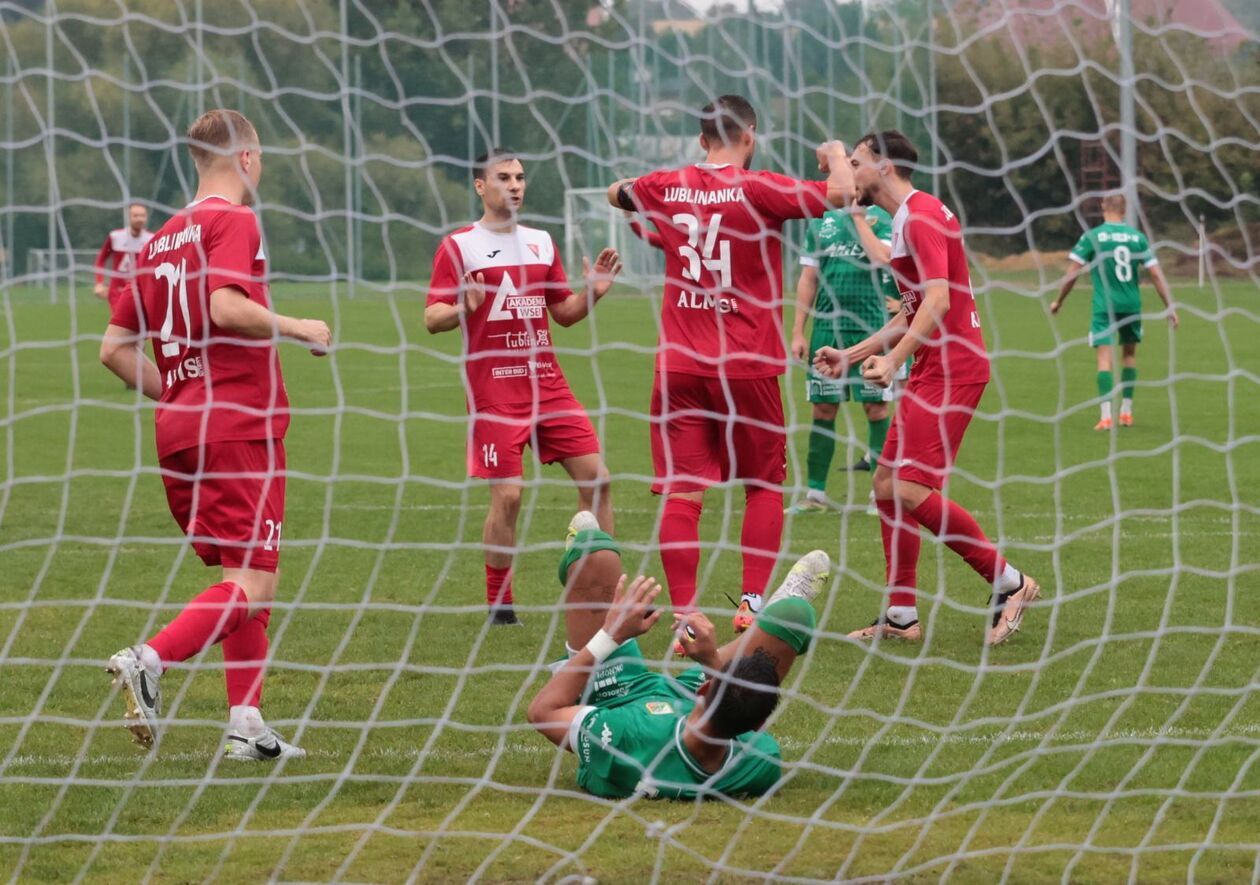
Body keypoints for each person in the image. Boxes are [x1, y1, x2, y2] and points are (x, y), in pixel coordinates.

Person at [99, 109, 331, 758]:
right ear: (247, 159)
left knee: (243, 571)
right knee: (255, 583)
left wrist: (176, 390)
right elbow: (227, 304)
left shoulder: (160, 240)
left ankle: (246, 724)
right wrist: (299, 327)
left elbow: (113, 348)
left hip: (180, 430)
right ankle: (149, 658)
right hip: (237, 425)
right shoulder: (235, 221)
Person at [605, 94, 854, 631]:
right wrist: (834, 152)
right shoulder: (761, 187)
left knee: (683, 489)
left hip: (680, 367)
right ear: (751, 135)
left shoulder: (664, 184)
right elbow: (842, 193)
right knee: (763, 485)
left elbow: (616, 193)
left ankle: (687, 612)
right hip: (747, 364)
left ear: (701, 139)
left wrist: (645, 200)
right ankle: (751, 604)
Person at [812, 130, 1039, 646]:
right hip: (932, 367)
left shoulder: (922, 215)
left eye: (856, 161)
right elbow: (913, 313)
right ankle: (900, 615)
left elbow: (937, 301)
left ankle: (1009, 582)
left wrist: (892, 361)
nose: (849, 170)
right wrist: (851, 355)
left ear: (884, 166)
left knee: (911, 490)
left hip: (954, 367)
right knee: (887, 488)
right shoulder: (905, 221)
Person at [427, 148, 622, 625]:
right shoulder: (459, 246)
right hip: (495, 391)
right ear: (480, 186)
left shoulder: (541, 242)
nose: (515, 185)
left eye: (520, 177)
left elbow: (564, 314)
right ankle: (500, 600)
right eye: (503, 178)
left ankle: (598, 589)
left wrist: (591, 294)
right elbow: (432, 318)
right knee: (509, 498)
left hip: (548, 385)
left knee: (598, 481)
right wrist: (463, 309)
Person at [527, 511, 831, 800]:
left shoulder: (625, 739)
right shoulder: (762, 760)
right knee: (795, 614)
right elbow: (751, 724)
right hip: (687, 699)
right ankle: (779, 605)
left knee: (595, 552)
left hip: (617, 694)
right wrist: (712, 659)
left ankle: (580, 556)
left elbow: (542, 712)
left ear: (706, 686)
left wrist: (612, 633)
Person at [788, 201, 904, 515]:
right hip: (827, 328)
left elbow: (883, 258)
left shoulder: (882, 219)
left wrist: (857, 217)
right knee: (823, 408)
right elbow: (808, 278)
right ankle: (815, 494)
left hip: (872, 326)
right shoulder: (821, 222)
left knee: (876, 407)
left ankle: (878, 495)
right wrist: (799, 330)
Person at [1051, 192, 1178, 430]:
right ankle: (1127, 413)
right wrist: (1169, 306)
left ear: (1103, 207)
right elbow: (1156, 275)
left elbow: (1072, 273)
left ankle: (1106, 417)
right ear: (1124, 210)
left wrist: (1059, 300)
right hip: (1131, 304)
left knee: (1104, 359)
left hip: (1104, 306)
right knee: (1129, 355)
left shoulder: (1093, 237)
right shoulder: (1137, 237)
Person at [93, 202, 154, 307]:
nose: (139, 219)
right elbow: (101, 259)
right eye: (135, 215)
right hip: (118, 291)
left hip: (141, 291)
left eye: (142, 216)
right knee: (120, 323)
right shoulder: (115, 237)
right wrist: (99, 283)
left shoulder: (151, 239)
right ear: (128, 217)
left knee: (141, 323)